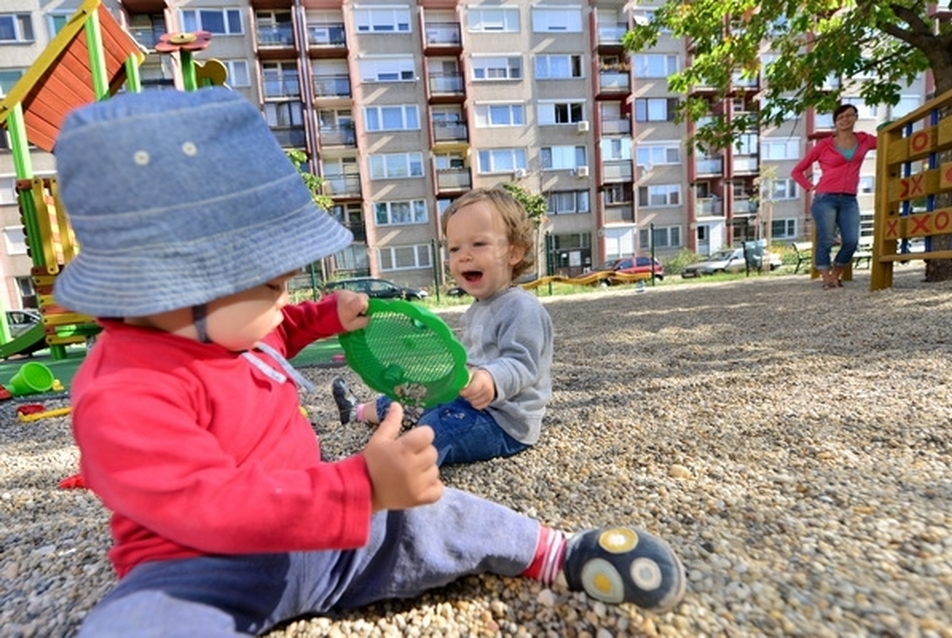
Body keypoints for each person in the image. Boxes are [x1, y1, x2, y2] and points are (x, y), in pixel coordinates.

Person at [56, 89, 684, 637]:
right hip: (201, 571)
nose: (286, 300)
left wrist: (327, 316)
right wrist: (358, 486)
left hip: (323, 530)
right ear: (171, 287)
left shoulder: (231, 330)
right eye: (275, 284)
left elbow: (279, 331)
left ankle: (554, 552)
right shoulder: (125, 391)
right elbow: (207, 503)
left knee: (433, 511)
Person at [332, 188, 553, 467]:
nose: (463, 256)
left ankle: (399, 470)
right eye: (454, 248)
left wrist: (491, 379)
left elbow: (524, 363)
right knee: (412, 393)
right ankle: (357, 412)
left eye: (478, 244)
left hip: (503, 421)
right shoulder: (479, 306)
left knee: (437, 426)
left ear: (514, 252)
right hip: (469, 400)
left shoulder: (522, 308)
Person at [791, 103, 877, 289]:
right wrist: (809, 187)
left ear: (855, 117)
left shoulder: (865, 140)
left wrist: (887, 129)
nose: (845, 120)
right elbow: (797, 171)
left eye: (849, 115)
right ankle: (826, 277)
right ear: (835, 122)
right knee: (827, 238)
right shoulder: (824, 145)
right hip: (825, 198)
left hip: (849, 199)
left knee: (852, 240)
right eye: (840, 117)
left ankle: (836, 274)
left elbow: (887, 141)